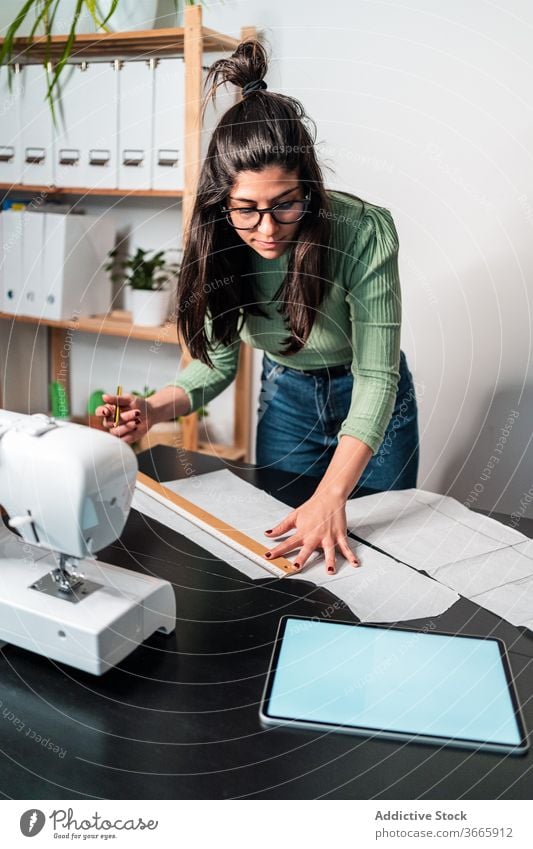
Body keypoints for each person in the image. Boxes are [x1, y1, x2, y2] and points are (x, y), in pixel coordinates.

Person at [97, 40, 419, 576]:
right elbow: (216, 363)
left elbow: (376, 376)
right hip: (288, 396)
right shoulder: (219, 243)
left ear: (309, 190)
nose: (266, 230)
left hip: (371, 395)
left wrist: (332, 494)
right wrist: (151, 410)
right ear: (221, 201)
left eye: (285, 204)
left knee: (380, 563)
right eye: (246, 209)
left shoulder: (362, 231)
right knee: (289, 558)